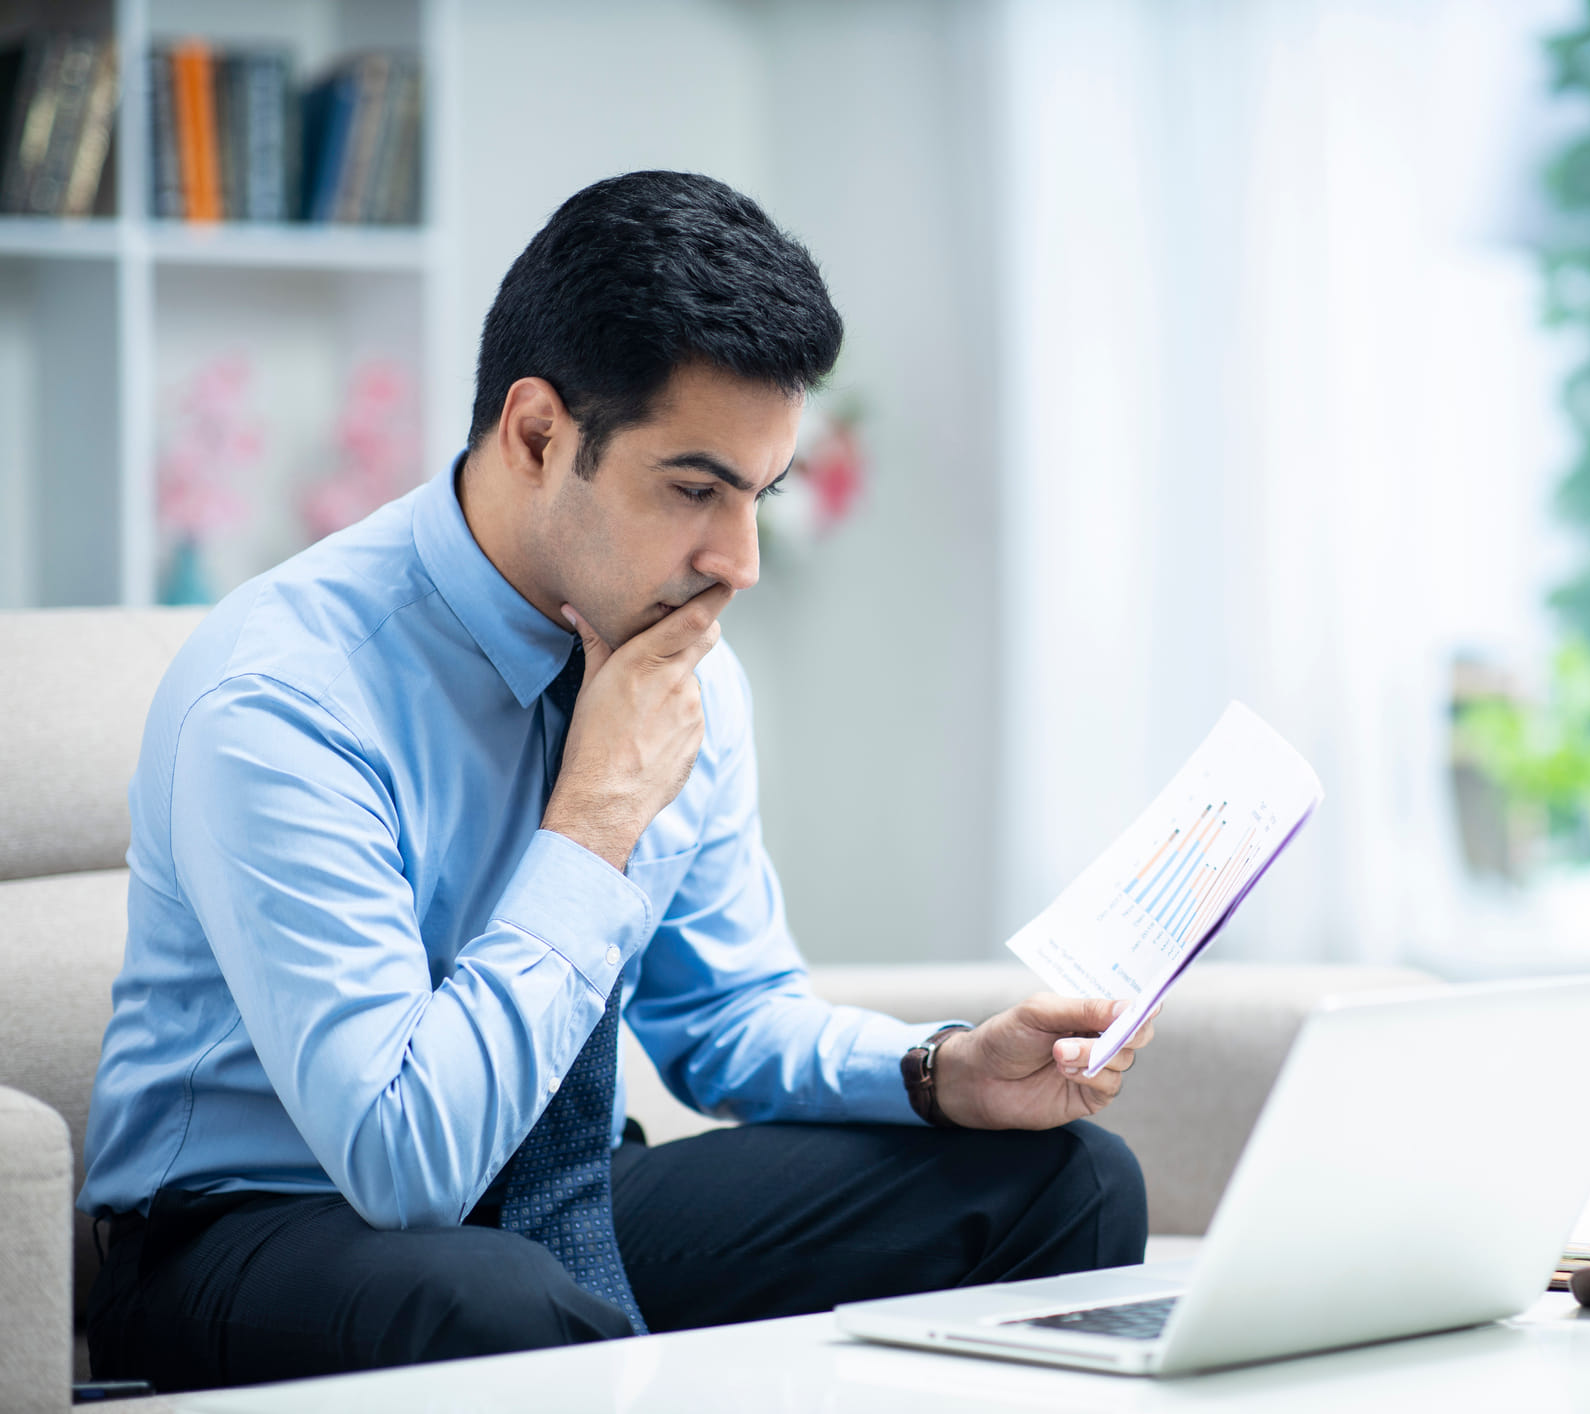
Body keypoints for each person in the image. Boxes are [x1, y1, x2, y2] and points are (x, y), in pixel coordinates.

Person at [78, 170, 1152, 1392]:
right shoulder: (285, 693)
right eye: (696, 490)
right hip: (255, 1228)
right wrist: (594, 814)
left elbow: (726, 1020)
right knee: (495, 1303)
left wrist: (941, 1071)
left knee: (1066, 1184)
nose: (738, 561)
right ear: (538, 435)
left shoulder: (678, 666)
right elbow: (403, 1159)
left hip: (560, 1198)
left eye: (759, 495)